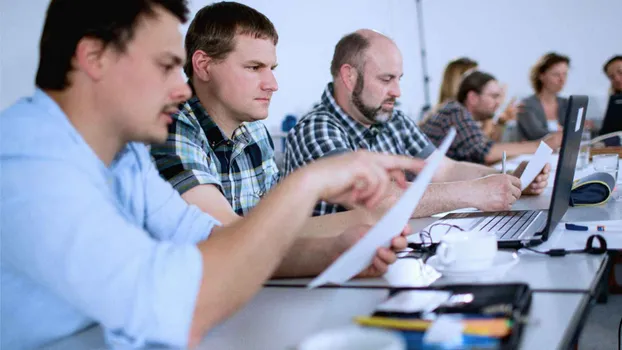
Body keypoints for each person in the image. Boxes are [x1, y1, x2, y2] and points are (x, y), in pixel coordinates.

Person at [0, 1, 424, 348]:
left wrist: (336, 251)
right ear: (94, 57)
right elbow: (182, 304)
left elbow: (218, 243)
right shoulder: (24, 159)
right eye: (166, 65)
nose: (183, 87)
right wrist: (310, 181)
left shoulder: (125, 157)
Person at [151, 2, 382, 236]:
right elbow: (231, 238)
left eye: (272, 68)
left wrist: (362, 229)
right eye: (254, 67)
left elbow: (276, 229)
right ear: (204, 66)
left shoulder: (255, 131)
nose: (272, 85)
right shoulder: (169, 126)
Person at [284, 30, 550, 219]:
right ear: (349, 76)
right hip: (326, 281)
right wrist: (473, 192)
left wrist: (510, 179)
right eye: (386, 79)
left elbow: (446, 170)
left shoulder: (392, 118)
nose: (397, 92)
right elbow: (379, 200)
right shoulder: (318, 129)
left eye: (399, 78)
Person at [420, 71, 563, 164]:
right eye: (494, 96)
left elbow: (485, 146)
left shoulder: (457, 112)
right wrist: (542, 145)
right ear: (473, 98)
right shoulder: (455, 113)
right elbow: (486, 153)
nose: (498, 102)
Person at [517, 52, 570, 141]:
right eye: (556, 75)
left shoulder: (567, 103)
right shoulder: (526, 105)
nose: (562, 80)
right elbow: (536, 135)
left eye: (565, 74)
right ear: (541, 76)